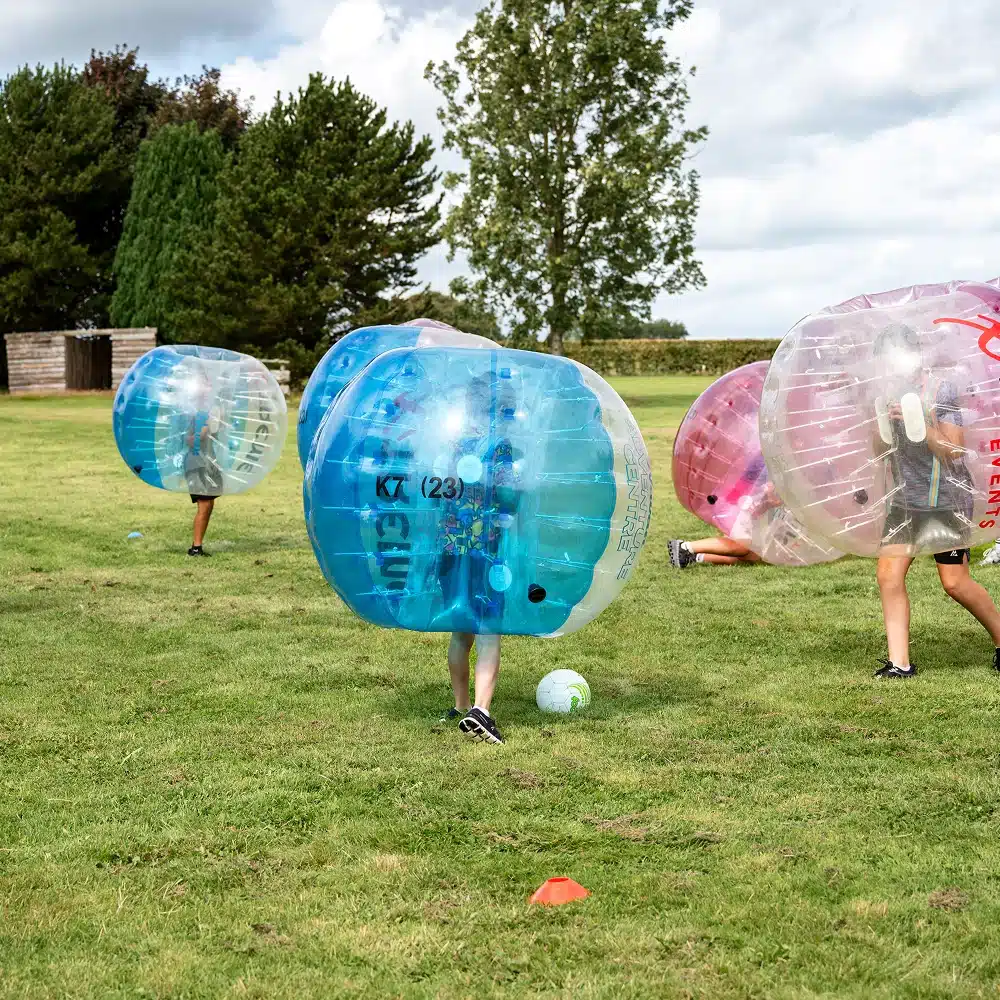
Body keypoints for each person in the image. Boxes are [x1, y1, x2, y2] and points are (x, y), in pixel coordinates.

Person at [871, 323, 1000, 678]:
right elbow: (879, 451)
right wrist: (882, 421)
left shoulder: (940, 390)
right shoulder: (885, 395)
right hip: (905, 499)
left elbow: (954, 449)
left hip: (945, 498)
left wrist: (921, 424)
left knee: (955, 583)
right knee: (888, 575)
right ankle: (900, 664)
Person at [435, 373, 518, 744]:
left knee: (461, 629)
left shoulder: (451, 442)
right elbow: (507, 492)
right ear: (496, 408)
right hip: (484, 551)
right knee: (489, 631)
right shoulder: (498, 445)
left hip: (451, 548)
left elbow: (439, 489)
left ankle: (459, 704)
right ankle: (481, 712)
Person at [184, 380, 224, 557]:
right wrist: (205, 428)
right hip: (197, 463)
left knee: (209, 504)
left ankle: (197, 545)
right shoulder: (193, 414)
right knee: (204, 503)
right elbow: (190, 440)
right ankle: (196, 548)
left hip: (208, 462)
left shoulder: (211, 412)